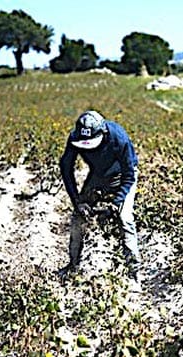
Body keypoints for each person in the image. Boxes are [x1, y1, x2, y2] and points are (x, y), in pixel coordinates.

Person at [58, 110, 141, 278]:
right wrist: (77, 202)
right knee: (78, 218)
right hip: (98, 174)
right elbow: (66, 168)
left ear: (102, 133)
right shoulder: (74, 139)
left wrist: (116, 203)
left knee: (124, 218)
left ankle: (134, 270)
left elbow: (129, 175)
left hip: (121, 176)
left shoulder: (119, 138)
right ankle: (73, 265)